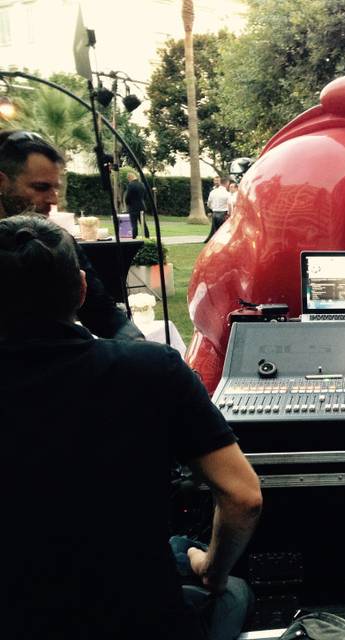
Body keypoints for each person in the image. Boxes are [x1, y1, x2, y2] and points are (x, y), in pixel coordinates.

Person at [1, 214, 263, 640]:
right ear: (84, 289)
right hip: (142, 616)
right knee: (228, 588)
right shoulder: (153, 370)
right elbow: (243, 496)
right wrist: (211, 571)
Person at [0, 129, 142, 339]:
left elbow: (102, 312)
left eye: (55, 188)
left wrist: (140, 348)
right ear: (1, 183)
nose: (53, 200)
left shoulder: (56, 242)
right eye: (41, 187)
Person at [123, 170, 148, 239]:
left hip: (133, 207)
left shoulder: (131, 185)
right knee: (143, 223)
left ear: (129, 178)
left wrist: (128, 204)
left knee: (134, 223)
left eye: (128, 179)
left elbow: (128, 197)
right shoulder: (142, 184)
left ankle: (134, 236)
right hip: (142, 206)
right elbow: (145, 196)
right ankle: (147, 236)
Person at [205, 176, 231, 242]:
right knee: (223, 231)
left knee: (215, 231)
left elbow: (208, 203)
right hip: (223, 213)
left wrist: (213, 208)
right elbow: (229, 204)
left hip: (215, 213)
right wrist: (230, 214)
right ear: (227, 183)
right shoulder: (227, 193)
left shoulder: (212, 192)